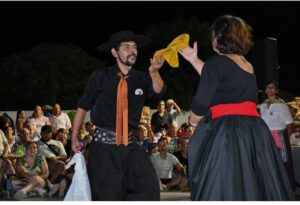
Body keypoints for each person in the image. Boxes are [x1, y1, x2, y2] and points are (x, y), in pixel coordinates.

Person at [179, 14, 294, 200]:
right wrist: (194, 59)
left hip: (228, 132)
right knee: (253, 186)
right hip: (254, 131)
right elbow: (221, 79)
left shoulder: (216, 63)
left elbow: (201, 102)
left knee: (226, 186)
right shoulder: (246, 64)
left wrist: (192, 120)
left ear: (219, 37)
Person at [71, 30, 166, 200]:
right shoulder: (100, 77)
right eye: (127, 46)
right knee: (109, 196)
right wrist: (74, 137)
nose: (132, 50)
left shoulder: (141, 78)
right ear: (114, 52)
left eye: (135, 47)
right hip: (103, 148)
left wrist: (154, 72)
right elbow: (82, 106)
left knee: (149, 189)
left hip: (130, 146)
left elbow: (158, 91)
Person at [259, 80, 296, 191]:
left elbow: (289, 123)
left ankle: (287, 187)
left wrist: (287, 138)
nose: (270, 89)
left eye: (272, 87)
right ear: (265, 90)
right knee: (269, 160)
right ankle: (272, 186)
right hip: (266, 136)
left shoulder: (281, 105)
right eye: (268, 87)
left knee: (283, 161)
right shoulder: (262, 105)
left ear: (276, 90)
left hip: (279, 135)